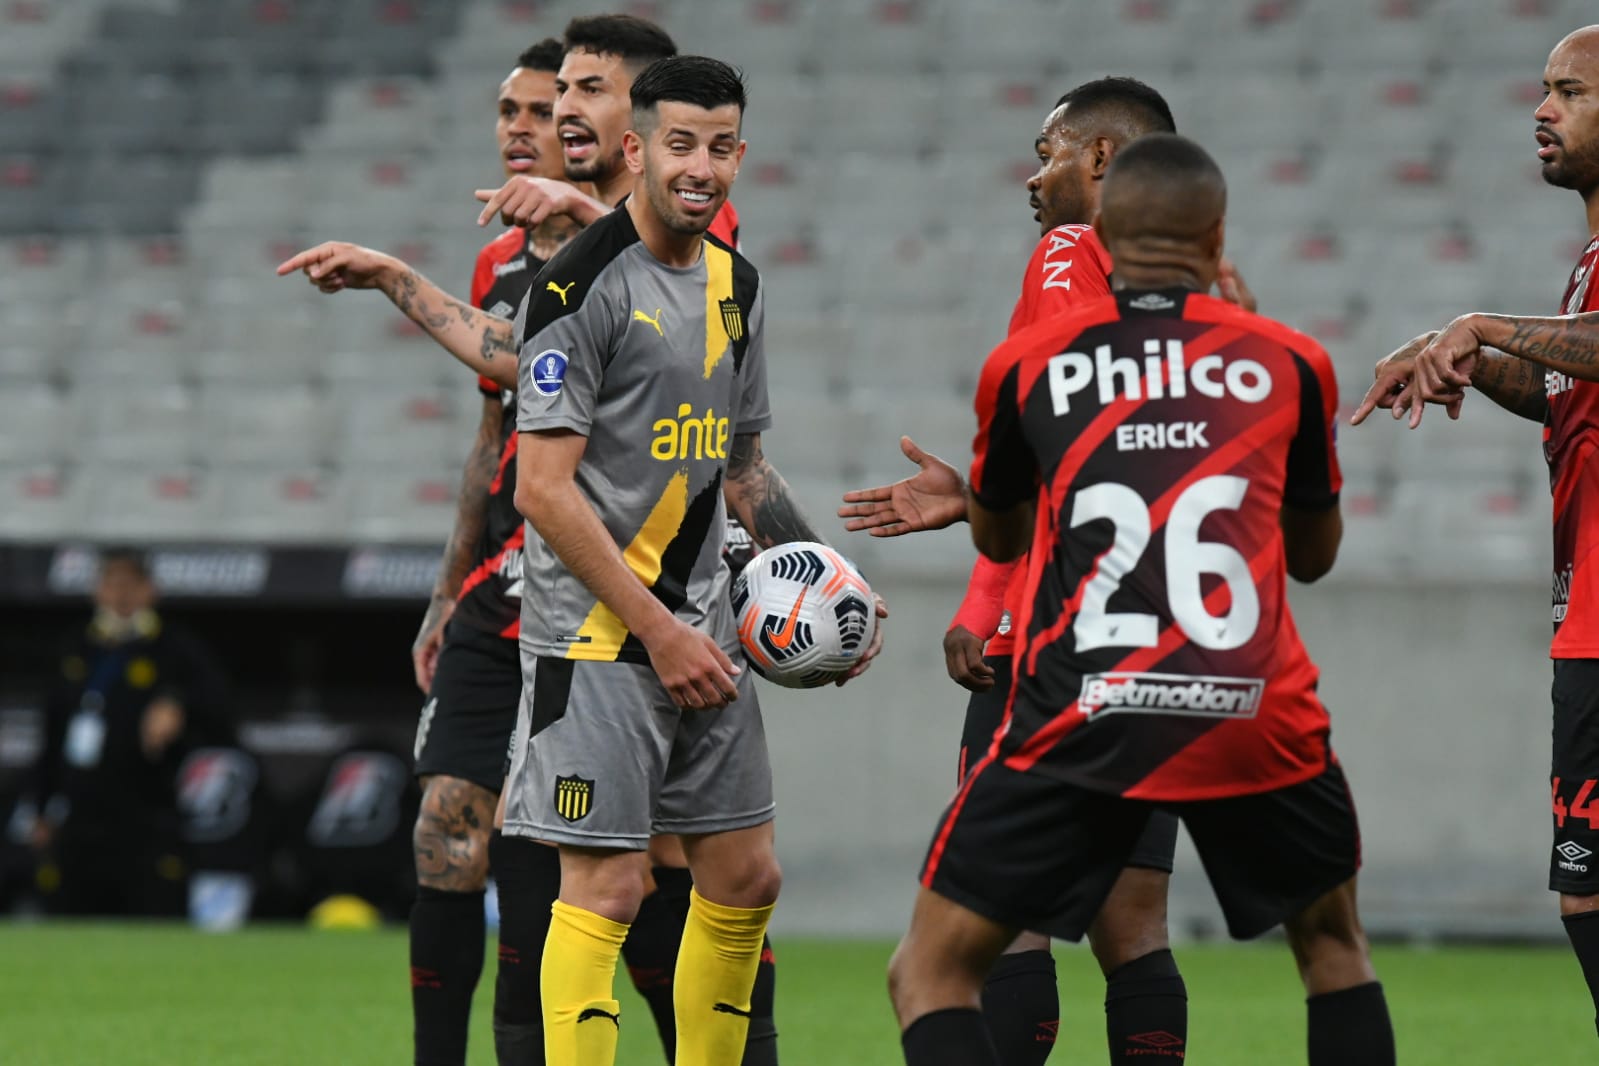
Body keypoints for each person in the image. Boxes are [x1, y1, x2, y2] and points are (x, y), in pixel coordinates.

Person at [277, 20, 776, 1064]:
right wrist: (450, 583)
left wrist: (796, 566)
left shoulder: (707, 250)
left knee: (701, 876)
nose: (541, 120)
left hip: (674, 595)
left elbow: (732, 450)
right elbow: (507, 430)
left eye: (568, 96)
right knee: (476, 838)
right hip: (557, 603)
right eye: (522, 106)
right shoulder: (525, 259)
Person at [878, 133, 1393, 1066]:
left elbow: (1001, 540)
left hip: (1086, 704)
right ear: (1218, 233)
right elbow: (1313, 558)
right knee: (1332, 953)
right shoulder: (1290, 362)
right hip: (1249, 706)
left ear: (1100, 227)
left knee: (930, 972)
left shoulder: (1029, 365)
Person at [839, 78, 1256, 1063]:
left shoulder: (1068, 251)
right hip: (1160, 646)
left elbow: (1057, 432)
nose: (1034, 177)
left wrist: (990, 591)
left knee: (992, 927)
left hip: (1056, 646)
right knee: (1135, 927)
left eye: (1050, 151)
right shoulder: (1214, 292)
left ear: (1104, 161)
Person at [504, 55, 882, 1066]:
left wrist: (826, 585)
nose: (701, 168)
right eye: (680, 145)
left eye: (721, 147)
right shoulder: (575, 286)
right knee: (610, 888)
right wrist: (659, 630)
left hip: (704, 629)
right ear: (636, 150)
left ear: (741, 155)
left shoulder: (738, 285)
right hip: (600, 641)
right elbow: (541, 490)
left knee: (748, 876)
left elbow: (742, 464)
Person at [1351, 23, 1599, 1043]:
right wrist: (1459, 357)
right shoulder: (1590, 265)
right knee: (1587, 896)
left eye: (1571, 92)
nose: (1541, 111)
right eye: (1544, 89)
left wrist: (1487, 324)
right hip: (1583, 619)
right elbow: (1565, 391)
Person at [402, 37, 576, 1066]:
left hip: (589, 591)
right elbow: (490, 443)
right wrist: (441, 592)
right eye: (506, 111)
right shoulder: (496, 262)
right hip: (494, 587)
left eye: (540, 110)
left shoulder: (639, 247)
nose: (517, 128)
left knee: (545, 856)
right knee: (444, 830)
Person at [26, 548, 230, 917]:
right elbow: (52, 734)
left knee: (153, 916)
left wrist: (177, 702)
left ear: (150, 590)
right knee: (71, 920)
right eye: (111, 583)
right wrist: (41, 807)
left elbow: (220, 706)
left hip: (149, 813)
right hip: (82, 816)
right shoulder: (75, 647)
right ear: (97, 590)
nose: (121, 593)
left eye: (130, 584)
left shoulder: (175, 648)